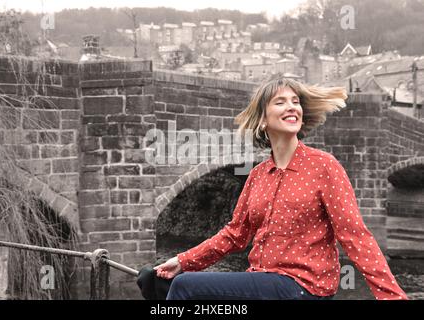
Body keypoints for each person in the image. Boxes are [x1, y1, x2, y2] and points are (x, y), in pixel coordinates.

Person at [154, 78, 409, 300]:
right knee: (153, 280)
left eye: (295, 101)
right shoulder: (257, 175)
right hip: (263, 281)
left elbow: (355, 236)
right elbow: (234, 235)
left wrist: (392, 296)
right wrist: (183, 260)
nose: (291, 107)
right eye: (280, 102)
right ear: (263, 120)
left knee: (185, 287)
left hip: (303, 287)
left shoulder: (324, 166)